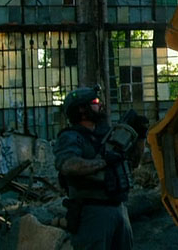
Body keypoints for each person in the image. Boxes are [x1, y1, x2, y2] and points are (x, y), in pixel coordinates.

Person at [54, 87, 147, 250]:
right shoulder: (71, 137)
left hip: (119, 208)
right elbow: (68, 165)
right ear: (82, 109)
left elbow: (133, 163)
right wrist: (104, 162)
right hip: (92, 212)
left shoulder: (107, 135)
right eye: (95, 102)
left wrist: (140, 137)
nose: (100, 105)